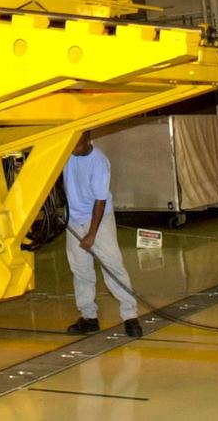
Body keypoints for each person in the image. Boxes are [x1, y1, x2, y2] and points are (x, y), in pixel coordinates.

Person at [63, 130, 143, 338]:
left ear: (88, 141)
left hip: (98, 219)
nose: (74, 149)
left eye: (78, 145)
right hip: (74, 220)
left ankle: (130, 316)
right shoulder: (66, 155)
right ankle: (89, 317)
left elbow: (100, 201)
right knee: (80, 270)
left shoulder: (99, 162)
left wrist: (91, 234)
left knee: (113, 267)